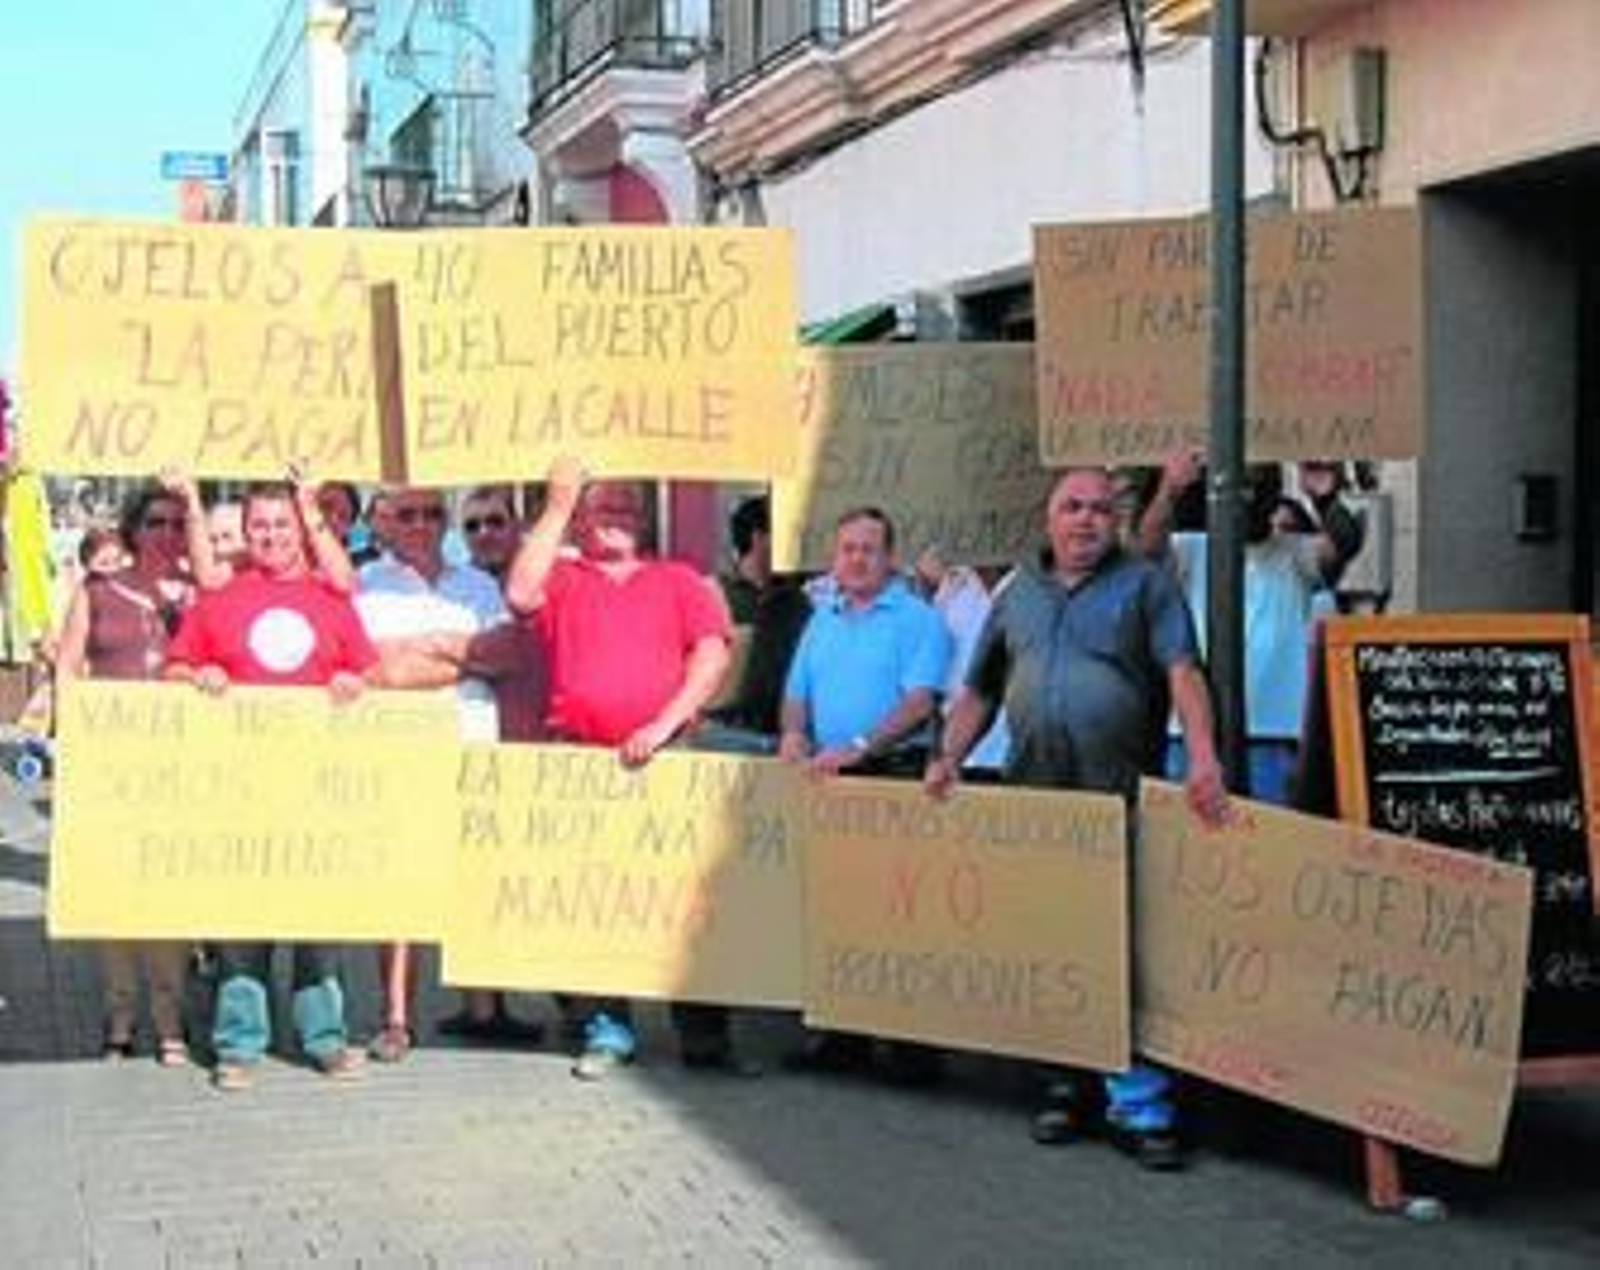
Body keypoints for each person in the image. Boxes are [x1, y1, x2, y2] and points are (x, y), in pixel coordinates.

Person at [925, 466, 1228, 1170]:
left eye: (1099, 509)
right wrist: (945, 755)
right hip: (1038, 797)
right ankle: (1066, 1084)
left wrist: (1204, 759)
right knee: (1056, 943)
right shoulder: (1017, 595)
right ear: (1048, 519)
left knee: (1125, 946)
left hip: (1117, 795)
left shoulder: (1147, 586)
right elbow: (979, 689)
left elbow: (1184, 673)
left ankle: (1140, 1104)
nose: (1086, 520)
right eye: (1072, 507)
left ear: (1116, 519)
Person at [505, 458, 745, 1080]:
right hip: (581, 764)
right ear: (582, 519)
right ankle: (606, 1026)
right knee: (594, 900)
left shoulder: (678, 580)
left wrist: (663, 726)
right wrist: (557, 504)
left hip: (665, 761)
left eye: (622, 510)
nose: (611, 520)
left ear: (641, 522)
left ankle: (704, 1035)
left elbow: (712, 656)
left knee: (685, 899)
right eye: (599, 509)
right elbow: (519, 593)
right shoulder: (563, 578)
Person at [163, 480, 375, 1091]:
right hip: (240, 790)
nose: (272, 536)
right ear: (246, 533)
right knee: (241, 924)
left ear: (301, 529)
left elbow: (365, 671)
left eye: (282, 525)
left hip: (318, 789)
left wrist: (352, 687)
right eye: (260, 526)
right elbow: (178, 665)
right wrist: (195, 675)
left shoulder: (330, 598)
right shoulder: (220, 598)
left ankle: (326, 1037)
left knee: (319, 926)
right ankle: (239, 1043)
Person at [353, 485, 531, 1062]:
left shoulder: (477, 584)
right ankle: (397, 1017)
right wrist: (460, 655)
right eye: (408, 514)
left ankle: (486, 1007)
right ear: (384, 521)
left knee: (477, 876)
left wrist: (428, 650)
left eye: (433, 513)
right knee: (397, 886)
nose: (422, 524)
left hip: (472, 746)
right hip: (398, 752)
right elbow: (375, 671)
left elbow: (507, 655)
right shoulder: (366, 585)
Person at [780, 507, 953, 1083]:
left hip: (892, 776)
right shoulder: (821, 619)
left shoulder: (918, 620)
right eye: (847, 548)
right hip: (828, 779)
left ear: (890, 558)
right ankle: (842, 1034)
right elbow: (796, 691)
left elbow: (920, 702)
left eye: (868, 549)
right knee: (841, 910)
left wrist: (859, 745)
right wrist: (793, 733)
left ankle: (911, 1046)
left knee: (901, 912)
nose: (856, 559)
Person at [54, 484, 194, 1065]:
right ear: (134, 529)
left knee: (165, 895)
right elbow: (67, 663)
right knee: (113, 893)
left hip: (178, 766)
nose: (164, 533)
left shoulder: (196, 593)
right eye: (154, 522)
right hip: (113, 762)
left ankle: (169, 1019)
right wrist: (73, 741)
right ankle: (119, 1018)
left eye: (174, 523)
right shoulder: (99, 590)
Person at [1135, 447, 1357, 805]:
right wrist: (1169, 490)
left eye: (1259, 487)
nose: (1249, 499)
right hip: (1193, 737)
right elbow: (1145, 550)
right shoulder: (1192, 550)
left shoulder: (1295, 554)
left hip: (1272, 736)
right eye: (1241, 488)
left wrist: (1327, 497)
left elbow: (1344, 543)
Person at [707, 495, 811, 743]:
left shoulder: (802, 596)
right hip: (727, 731)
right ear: (759, 538)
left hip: (788, 732)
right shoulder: (712, 592)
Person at [912, 543, 1009, 774]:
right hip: (962, 760)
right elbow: (938, 684)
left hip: (1017, 760)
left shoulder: (1035, 589)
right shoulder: (952, 588)